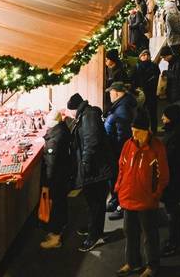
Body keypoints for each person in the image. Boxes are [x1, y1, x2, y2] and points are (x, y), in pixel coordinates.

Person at [114, 109, 169, 277]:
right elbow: (122, 167)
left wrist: (155, 194)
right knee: (130, 233)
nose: (134, 135)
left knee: (149, 235)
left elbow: (163, 175)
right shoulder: (128, 145)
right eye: (133, 131)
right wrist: (118, 187)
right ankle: (133, 263)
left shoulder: (156, 148)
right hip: (128, 198)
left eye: (137, 132)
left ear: (147, 131)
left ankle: (152, 265)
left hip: (146, 201)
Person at [66, 92, 114, 252]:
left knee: (96, 202)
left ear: (74, 109)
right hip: (95, 168)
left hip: (96, 169)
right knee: (93, 201)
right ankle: (93, 228)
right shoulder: (87, 114)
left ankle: (94, 236)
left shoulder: (88, 117)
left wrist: (85, 163)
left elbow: (91, 142)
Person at [38, 109, 75, 249]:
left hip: (56, 179)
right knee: (60, 203)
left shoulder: (54, 141)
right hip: (63, 175)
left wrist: (46, 184)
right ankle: (59, 229)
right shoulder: (63, 130)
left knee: (55, 206)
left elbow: (51, 166)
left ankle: (55, 237)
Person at [159, 105, 180, 257]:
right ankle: (179, 240)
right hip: (177, 179)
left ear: (171, 119)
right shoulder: (179, 132)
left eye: (164, 117)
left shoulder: (175, 137)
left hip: (173, 181)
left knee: (172, 212)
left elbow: (170, 160)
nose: (162, 119)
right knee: (173, 211)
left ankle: (175, 242)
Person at [105, 81, 137, 219]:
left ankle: (121, 206)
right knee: (117, 178)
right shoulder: (123, 105)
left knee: (120, 178)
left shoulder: (122, 109)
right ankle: (115, 201)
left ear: (117, 93)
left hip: (119, 151)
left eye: (111, 92)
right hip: (119, 150)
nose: (110, 95)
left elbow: (122, 135)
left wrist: (117, 152)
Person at [132, 49, 160, 132]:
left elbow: (157, 78)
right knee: (140, 113)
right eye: (143, 55)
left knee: (153, 113)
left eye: (147, 55)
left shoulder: (154, 66)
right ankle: (142, 130)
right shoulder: (136, 66)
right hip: (141, 93)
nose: (146, 57)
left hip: (152, 93)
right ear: (140, 57)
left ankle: (154, 132)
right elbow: (133, 79)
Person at [157, 45, 180, 113]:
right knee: (177, 110)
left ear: (169, 55)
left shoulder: (179, 63)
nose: (164, 59)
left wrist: (166, 73)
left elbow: (177, 76)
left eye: (164, 57)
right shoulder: (173, 61)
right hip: (176, 92)